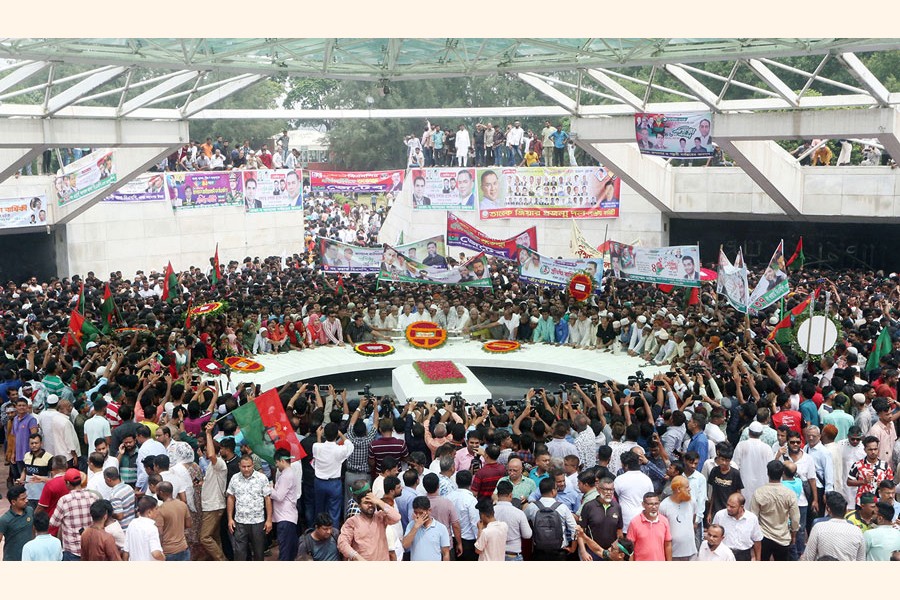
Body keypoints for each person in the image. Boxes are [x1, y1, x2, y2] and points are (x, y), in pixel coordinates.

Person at [749, 460, 800, 561]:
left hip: (763, 537)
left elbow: (753, 518)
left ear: (767, 473)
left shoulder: (759, 492)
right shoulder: (789, 494)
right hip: (783, 537)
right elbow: (795, 518)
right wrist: (793, 535)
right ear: (782, 473)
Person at [338, 481, 401, 561]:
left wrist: (378, 501)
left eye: (372, 503)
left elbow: (397, 517)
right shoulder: (352, 522)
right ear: (359, 506)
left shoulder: (381, 517)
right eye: (366, 503)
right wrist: (356, 556)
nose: (370, 505)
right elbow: (342, 543)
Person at [226, 455, 273, 561]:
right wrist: (230, 518)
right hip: (240, 521)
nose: (246, 469)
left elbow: (267, 499)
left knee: (258, 552)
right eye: (243, 466)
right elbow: (231, 498)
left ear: (253, 465)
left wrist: (269, 520)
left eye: (249, 466)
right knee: (239, 552)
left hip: (257, 521)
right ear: (239, 466)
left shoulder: (261, 478)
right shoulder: (235, 478)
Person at [801, 491, 865, 561]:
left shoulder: (819, 528)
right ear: (846, 510)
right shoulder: (857, 531)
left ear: (828, 509)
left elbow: (808, 558)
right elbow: (861, 560)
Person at [313, 422, 354, 527]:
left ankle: (319, 534)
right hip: (334, 484)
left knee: (319, 510)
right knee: (334, 513)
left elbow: (318, 448)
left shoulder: (316, 446)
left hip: (319, 483)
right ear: (336, 435)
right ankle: (333, 536)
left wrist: (318, 436)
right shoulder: (340, 450)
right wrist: (341, 435)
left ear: (324, 434)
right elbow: (350, 446)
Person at [49, 468, 95, 560]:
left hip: (72, 550)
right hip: (91, 547)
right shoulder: (93, 496)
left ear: (68, 483)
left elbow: (53, 523)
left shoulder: (65, 500)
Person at [712, 492, 762, 561]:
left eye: (732, 507)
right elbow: (713, 534)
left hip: (743, 556)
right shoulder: (720, 515)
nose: (728, 508)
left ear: (741, 507)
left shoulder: (752, 518)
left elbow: (757, 540)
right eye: (727, 505)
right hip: (724, 554)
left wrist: (758, 559)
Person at [626, 492, 672, 561]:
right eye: (650, 504)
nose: (654, 507)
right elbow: (630, 548)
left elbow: (668, 545)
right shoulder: (635, 522)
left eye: (656, 504)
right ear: (643, 504)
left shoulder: (664, 521)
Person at [492, 480, 531, 561]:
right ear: (510, 495)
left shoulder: (491, 512)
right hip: (513, 554)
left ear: (498, 495)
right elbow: (527, 535)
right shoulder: (519, 513)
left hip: (494, 553)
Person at [403, 496, 451, 561]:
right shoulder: (411, 525)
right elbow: (405, 545)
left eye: (421, 513)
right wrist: (416, 527)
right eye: (415, 512)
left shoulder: (441, 528)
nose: (418, 516)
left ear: (429, 511)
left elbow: (446, 553)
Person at [659, 476, 696, 560]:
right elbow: (662, 530)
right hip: (673, 554)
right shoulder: (664, 506)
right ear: (678, 489)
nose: (689, 489)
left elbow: (693, 519)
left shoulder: (692, 502)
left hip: (691, 552)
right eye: (687, 487)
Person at [271, 449, 299, 561]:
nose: (276, 465)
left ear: (282, 461)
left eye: (276, 462)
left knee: (285, 551)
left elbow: (279, 496)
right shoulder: (289, 473)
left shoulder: (286, 476)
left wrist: (269, 489)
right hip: (288, 516)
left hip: (285, 517)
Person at [155, 481, 191, 561]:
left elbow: (160, 533)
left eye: (157, 491)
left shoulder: (160, 510)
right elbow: (188, 524)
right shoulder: (183, 505)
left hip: (168, 551)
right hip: (183, 547)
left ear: (161, 492)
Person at [123, 496, 165, 561]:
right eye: (156, 509)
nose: (158, 511)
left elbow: (126, 551)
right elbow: (156, 553)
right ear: (149, 512)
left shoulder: (132, 524)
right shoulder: (151, 528)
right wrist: (163, 558)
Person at [0, 485, 34, 561]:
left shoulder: (30, 511)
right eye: (23, 499)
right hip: (12, 559)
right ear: (13, 502)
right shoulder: (4, 520)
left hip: (29, 558)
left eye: (26, 497)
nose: (26, 500)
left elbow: (33, 530)